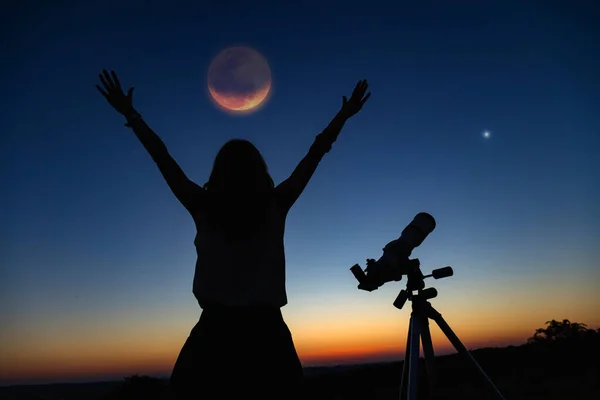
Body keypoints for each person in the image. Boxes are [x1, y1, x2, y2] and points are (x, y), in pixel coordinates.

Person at [96, 69, 371, 400]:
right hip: (266, 335)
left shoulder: (203, 204)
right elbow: (315, 154)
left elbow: (162, 157)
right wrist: (342, 116)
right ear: (260, 171)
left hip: (215, 334)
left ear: (218, 172)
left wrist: (131, 115)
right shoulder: (275, 203)